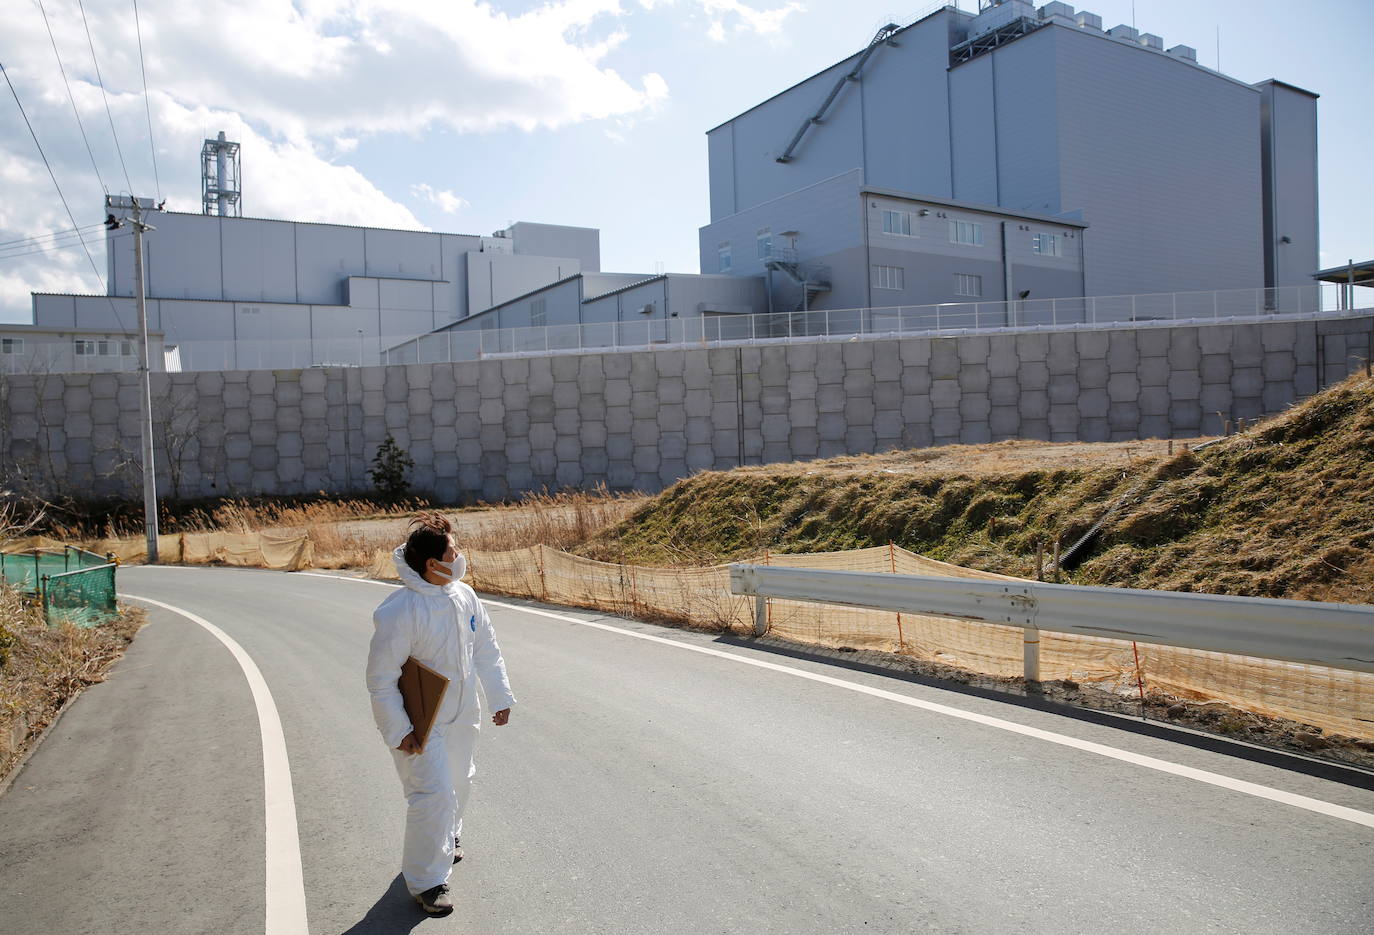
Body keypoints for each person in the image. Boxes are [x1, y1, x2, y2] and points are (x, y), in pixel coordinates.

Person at [365, 512, 515, 916]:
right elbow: (381, 679)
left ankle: (449, 836)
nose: (460, 554)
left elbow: (486, 646)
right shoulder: (401, 610)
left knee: (460, 780)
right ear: (432, 564)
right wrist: (398, 731)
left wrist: (499, 695)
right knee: (431, 796)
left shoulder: (464, 595)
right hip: (421, 720)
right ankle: (427, 881)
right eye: (453, 550)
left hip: (463, 712)